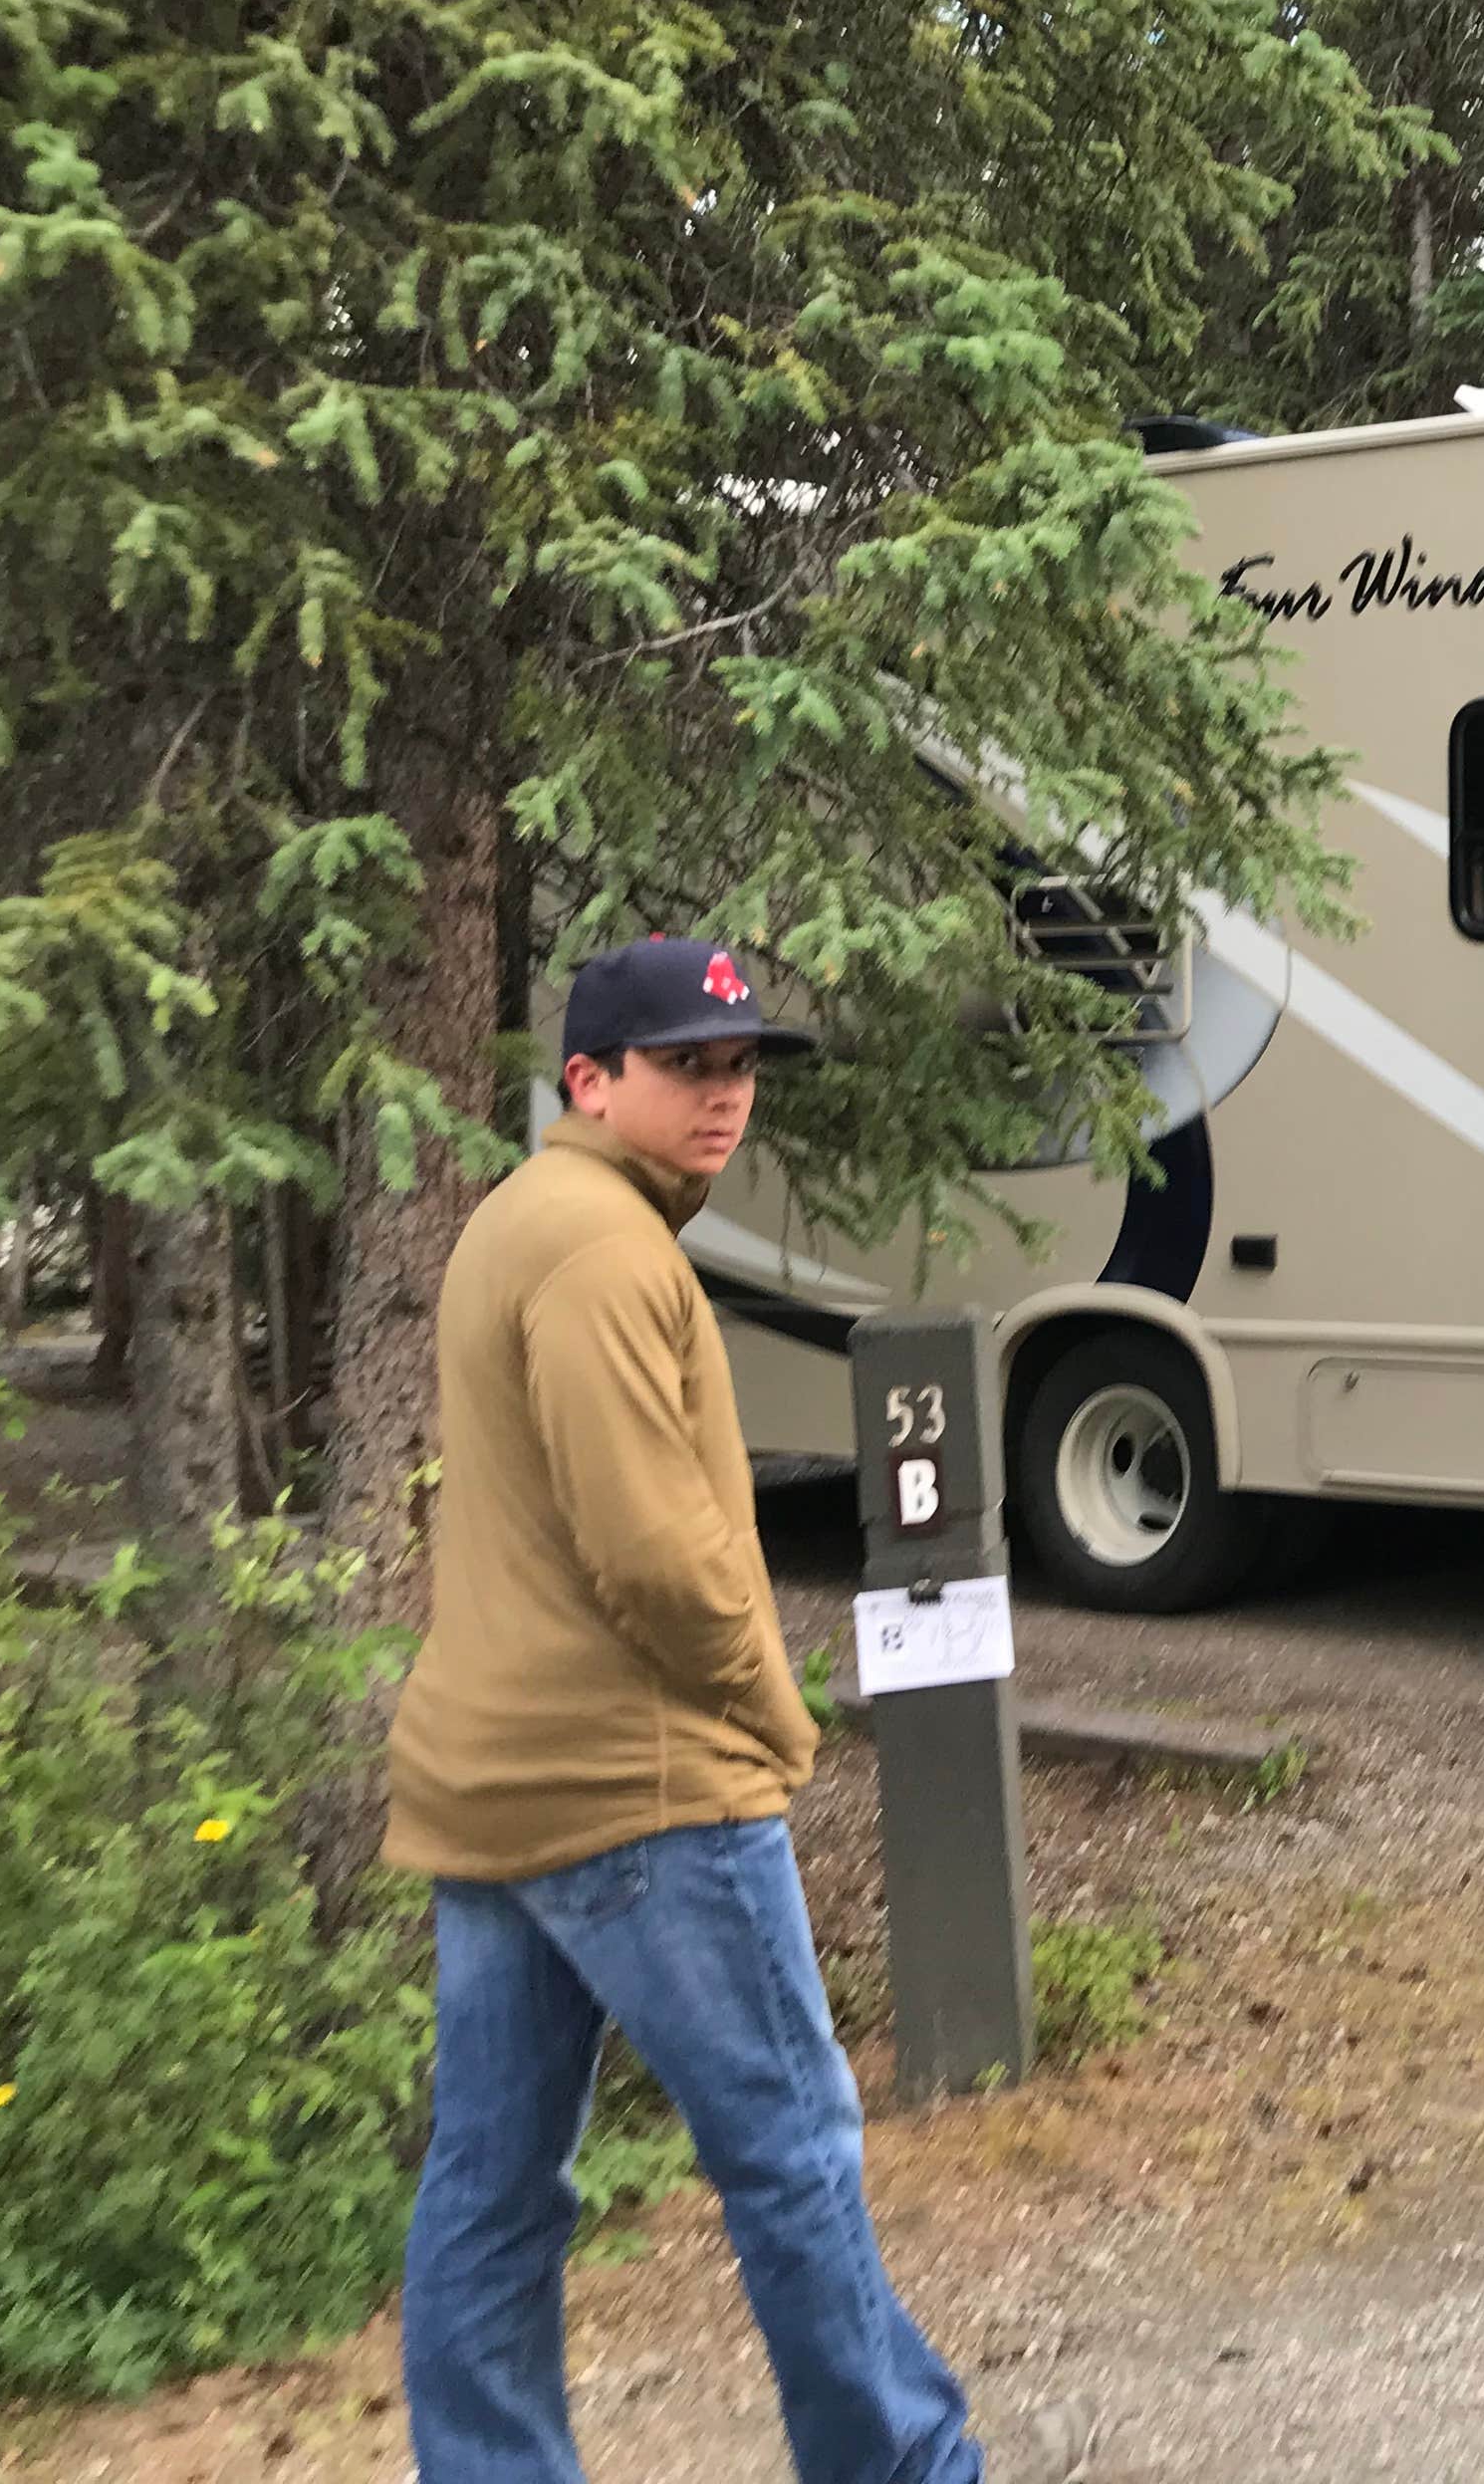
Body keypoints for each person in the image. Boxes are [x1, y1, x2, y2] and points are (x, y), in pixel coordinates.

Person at [388, 937, 981, 2484]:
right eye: (687, 1067)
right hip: (642, 1792)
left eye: (738, 1066)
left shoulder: (528, 1222)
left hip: (499, 1789)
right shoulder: (602, 1250)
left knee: (495, 2189)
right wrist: (770, 1708)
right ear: (589, 1081)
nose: (726, 1097)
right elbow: (651, 1550)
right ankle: (910, 2469)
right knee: (792, 2156)